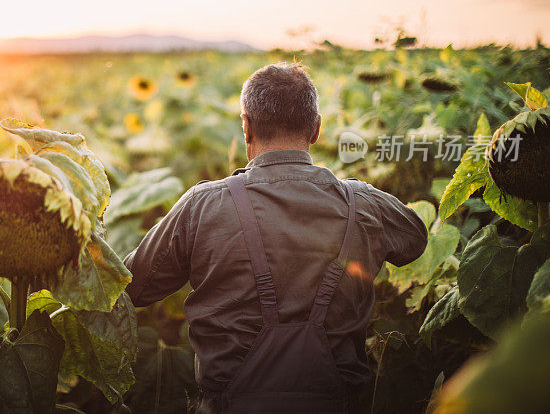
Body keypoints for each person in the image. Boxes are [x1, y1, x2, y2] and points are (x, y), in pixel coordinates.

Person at [123, 62, 428, 413]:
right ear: (316, 129)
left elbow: (134, 286)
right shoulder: (363, 204)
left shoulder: (202, 205)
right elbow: (415, 240)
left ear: (247, 127)